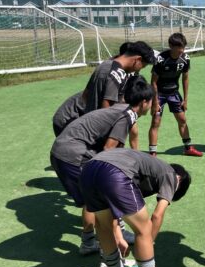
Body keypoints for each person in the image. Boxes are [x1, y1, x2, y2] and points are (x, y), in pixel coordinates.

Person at [51, 76, 154, 255]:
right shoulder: (127, 115)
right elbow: (108, 151)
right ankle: (101, 242)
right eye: (152, 101)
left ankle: (97, 239)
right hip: (72, 154)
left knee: (93, 198)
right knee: (97, 198)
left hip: (62, 151)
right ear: (144, 102)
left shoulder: (122, 108)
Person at [80, 148, 191, 267]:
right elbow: (157, 215)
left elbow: (113, 212)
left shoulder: (148, 168)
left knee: (103, 226)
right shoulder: (172, 175)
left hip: (88, 171)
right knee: (144, 229)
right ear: (180, 181)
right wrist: (147, 244)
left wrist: (119, 236)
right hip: (114, 171)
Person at [83, 41, 156, 150]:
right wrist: (111, 137)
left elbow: (85, 95)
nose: (139, 70)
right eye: (142, 66)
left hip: (89, 128)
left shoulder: (105, 64)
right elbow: (107, 108)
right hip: (99, 135)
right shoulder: (117, 74)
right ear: (138, 59)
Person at [148, 33, 203, 157]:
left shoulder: (185, 59)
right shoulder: (161, 59)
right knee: (155, 122)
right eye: (178, 47)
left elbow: (185, 78)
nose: (181, 50)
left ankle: (188, 148)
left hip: (174, 93)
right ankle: (152, 153)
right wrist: (155, 101)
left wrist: (186, 99)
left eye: (183, 47)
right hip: (160, 94)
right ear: (170, 46)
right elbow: (153, 82)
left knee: (182, 119)